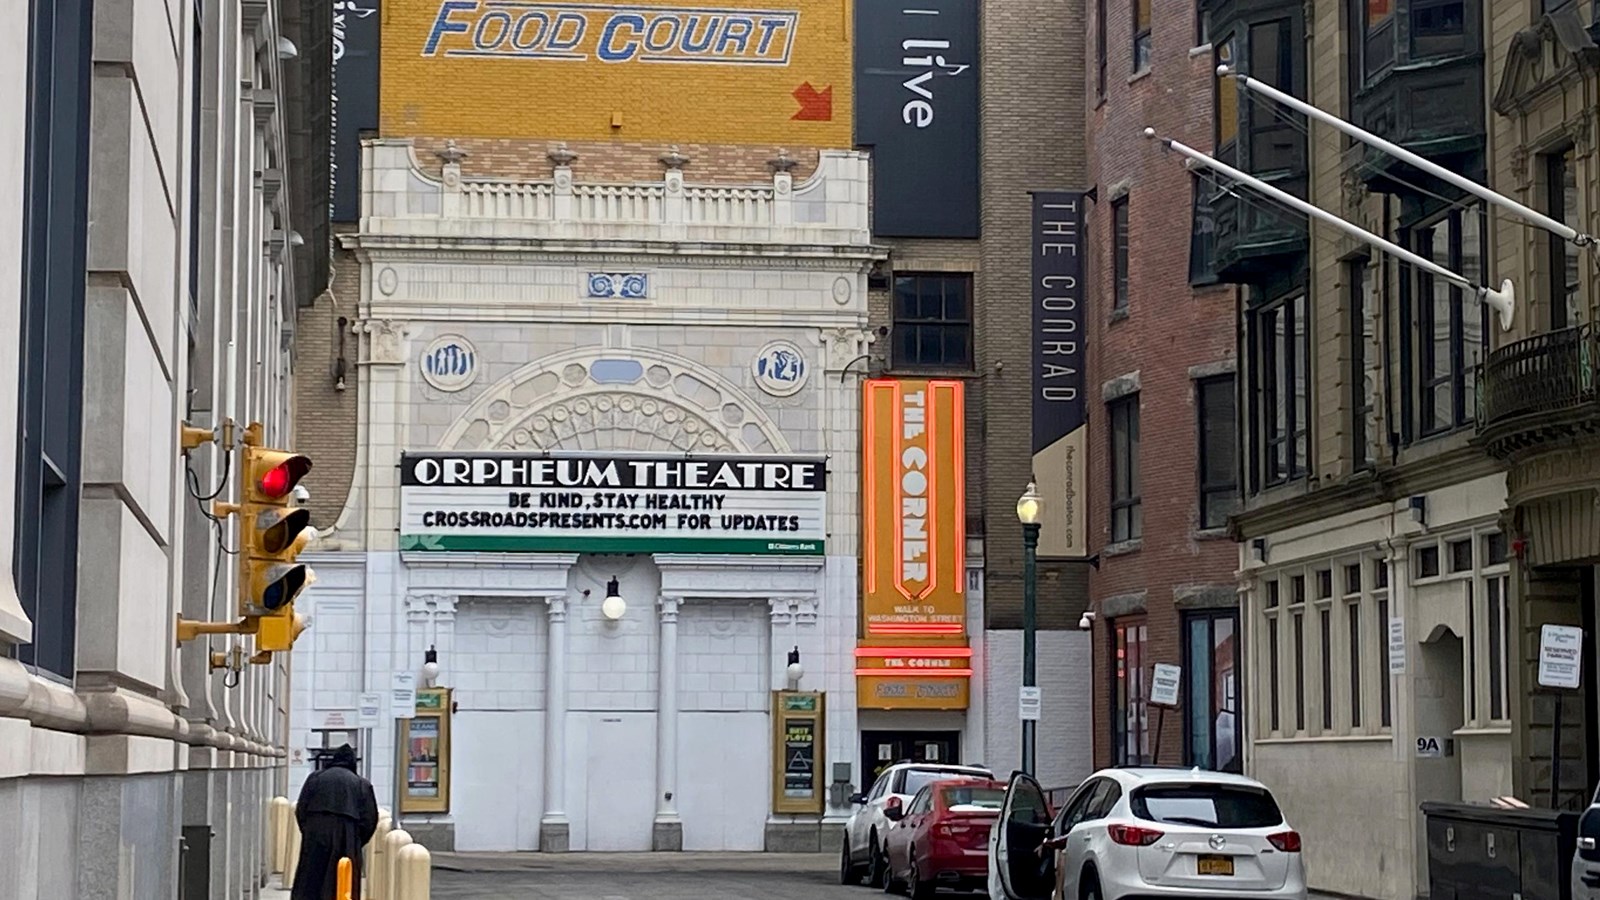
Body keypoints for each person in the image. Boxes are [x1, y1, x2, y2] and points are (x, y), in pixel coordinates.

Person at [293, 745, 380, 900]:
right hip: (347, 835)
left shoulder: (315, 778)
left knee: (311, 879)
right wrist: (356, 841)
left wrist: (309, 832)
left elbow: (301, 809)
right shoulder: (361, 784)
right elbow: (369, 819)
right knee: (342, 881)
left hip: (316, 832)